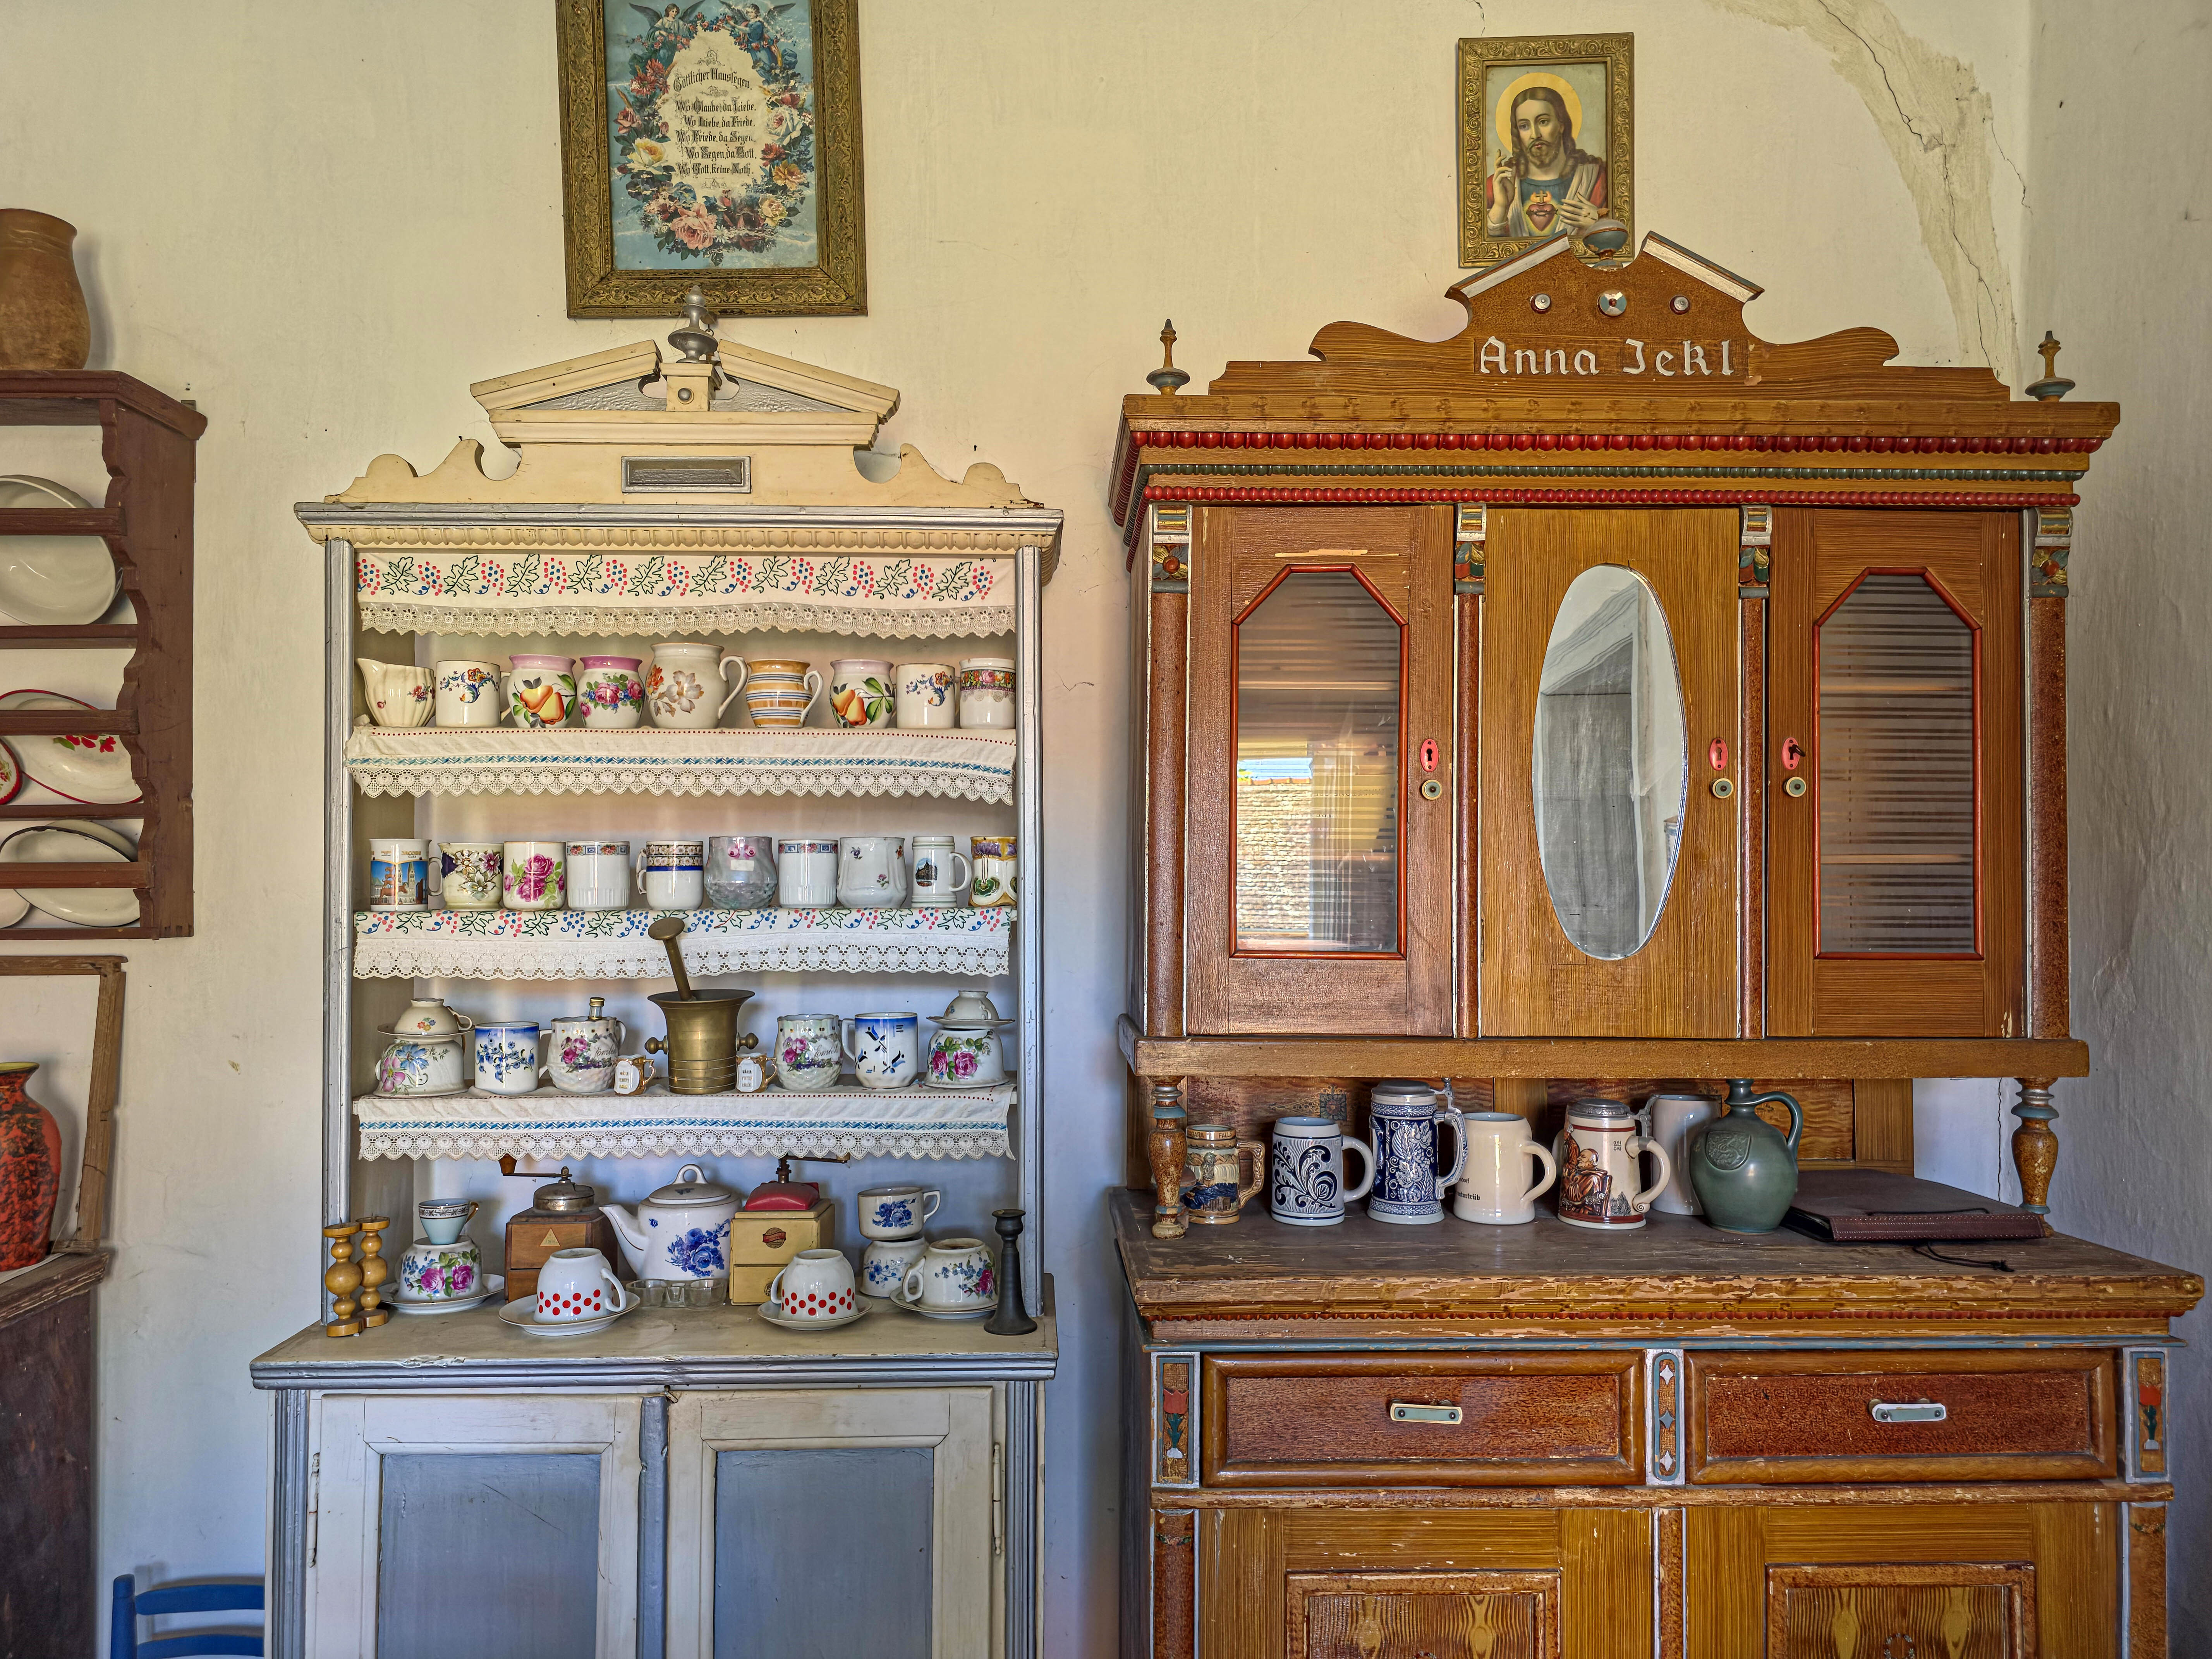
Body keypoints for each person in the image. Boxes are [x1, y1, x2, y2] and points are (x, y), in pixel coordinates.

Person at [1485, 84, 1608, 239]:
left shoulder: (1598, 179)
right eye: (1524, 126)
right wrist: (1500, 207)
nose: (1535, 134)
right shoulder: (1498, 185)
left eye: (1543, 122)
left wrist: (1599, 224)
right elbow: (1479, 247)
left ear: (1562, 125)